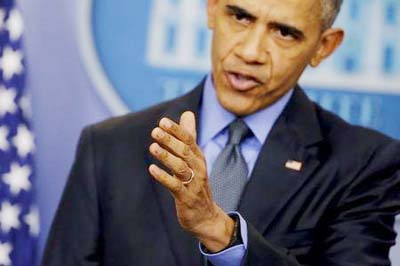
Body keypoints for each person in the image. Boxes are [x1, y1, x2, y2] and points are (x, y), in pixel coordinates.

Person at [42, 0, 400, 265]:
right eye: (240, 16)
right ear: (212, 8)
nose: (250, 51)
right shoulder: (108, 146)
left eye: (284, 32)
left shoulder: (363, 164)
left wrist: (220, 232)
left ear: (324, 46)